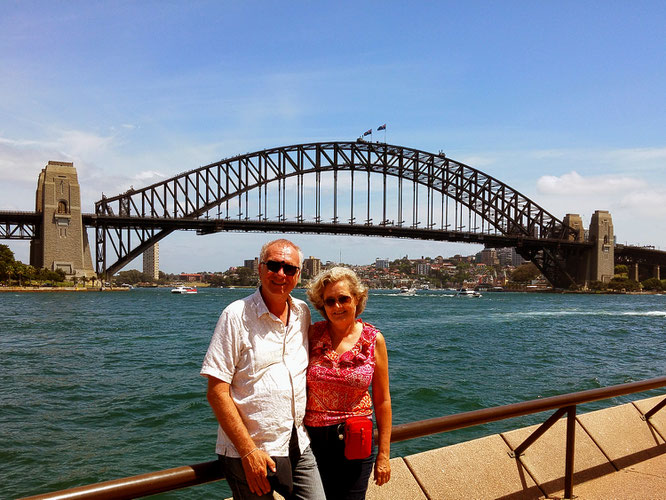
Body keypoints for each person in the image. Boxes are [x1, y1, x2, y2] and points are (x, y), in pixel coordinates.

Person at [201, 239, 325, 500]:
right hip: (250, 450)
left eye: (289, 269)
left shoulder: (302, 312)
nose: (281, 274)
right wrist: (248, 452)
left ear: (298, 276)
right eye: (274, 265)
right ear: (260, 269)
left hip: (297, 444)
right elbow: (217, 391)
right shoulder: (235, 315)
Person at [305, 267, 392, 500]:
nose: (337, 307)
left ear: (357, 299)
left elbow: (382, 400)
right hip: (313, 442)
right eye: (329, 301)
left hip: (356, 439)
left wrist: (384, 454)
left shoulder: (374, 340)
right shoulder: (312, 334)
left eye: (343, 299)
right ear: (322, 305)